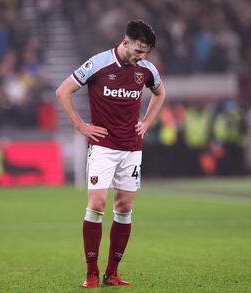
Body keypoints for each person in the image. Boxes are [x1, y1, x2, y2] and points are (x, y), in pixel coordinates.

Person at [56, 19, 166, 288]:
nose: (141, 57)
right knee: (97, 204)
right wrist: (81, 125)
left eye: (146, 53)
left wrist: (147, 122)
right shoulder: (99, 64)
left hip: (131, 148)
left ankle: (112, 273)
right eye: (138, 51)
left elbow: (160, 93)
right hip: (103, 147)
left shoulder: (146, 70)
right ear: (125, 42)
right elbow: (63, 91)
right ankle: (91, 273)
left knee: (124, 207)